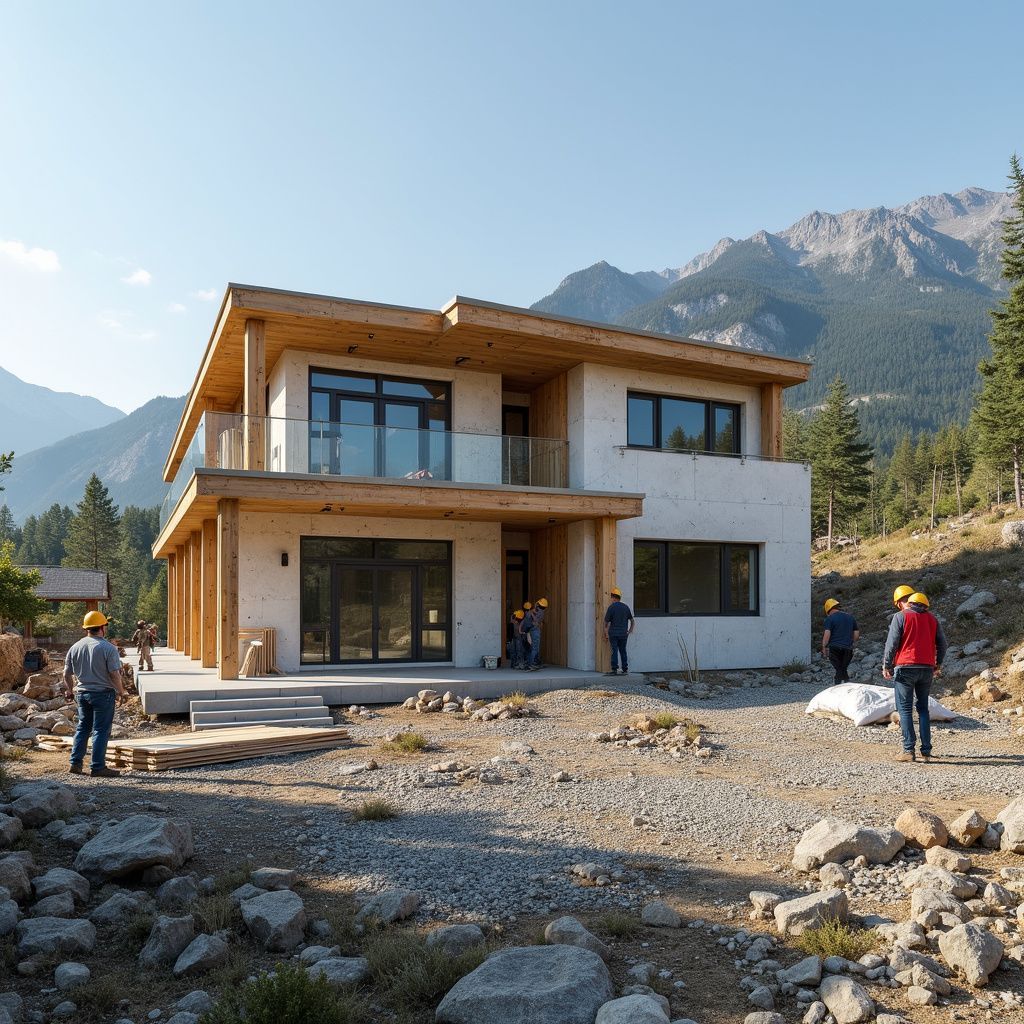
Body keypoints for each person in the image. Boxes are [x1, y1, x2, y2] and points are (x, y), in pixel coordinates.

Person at [883, 591, 947, 764]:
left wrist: (887, 665)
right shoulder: (932, 619)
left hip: (905, 667)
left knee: (904, 709)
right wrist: (937, 664)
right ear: (925, 605)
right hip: (926, 669)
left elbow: (892, 643)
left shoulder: (900, 616)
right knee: (923, 709)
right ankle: (926, 751)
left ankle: (908, 750)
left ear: (909, 603)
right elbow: (943, 643)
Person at [63, 610, 127, 778]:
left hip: (82, 694)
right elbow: (114, 674)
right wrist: (121, 691)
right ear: (102, 627)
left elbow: (66, 674)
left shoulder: (75, 647)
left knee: (83, 727)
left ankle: (75, 763)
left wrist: (70, 690)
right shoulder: (108, 648)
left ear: (87, 629)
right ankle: (98, 767)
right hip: (103, 694)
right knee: (100, 729)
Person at [821, 598, 859, 685]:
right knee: (843, 668)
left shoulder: (829, 619)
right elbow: (856, 635)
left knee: (839, 669)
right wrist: (849, 641)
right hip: (848, 649)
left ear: (828, 609)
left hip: (834, 648)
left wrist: (824, 647)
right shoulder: (850, 617)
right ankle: (846, 685)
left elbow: (827, 634)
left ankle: (837, 687)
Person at [603, 587, 634, 675]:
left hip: (613, 633)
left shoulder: (611, 607)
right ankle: (625, 669)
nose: (611, 599)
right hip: (624, 634)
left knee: (614, 650)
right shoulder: (625, 607)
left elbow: (606, 622)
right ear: (619, 597)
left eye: (611, 597)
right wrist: (630, 631)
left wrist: (606, 633)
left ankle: (614, 669)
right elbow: (632, 621)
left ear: (613, 597)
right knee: (623, 650)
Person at [521, 601, 540, 671]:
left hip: (525, 633)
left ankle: (529, 663)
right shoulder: (530, 614)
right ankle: (530, 664)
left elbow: (522, 623)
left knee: (527, 649)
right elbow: (535, 621)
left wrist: (520, 631)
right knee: (533, 648)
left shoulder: (524, 614)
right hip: (529, 633)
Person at [531, 597, 549, 669]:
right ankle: (534, 662)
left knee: (535, 648)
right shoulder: (540, 610)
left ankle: (532, 662)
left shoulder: (539, 612)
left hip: (535, 630)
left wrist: (531, 613)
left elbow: (535, 619)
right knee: (536, 647)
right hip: (536, 630)